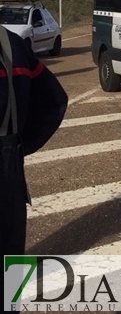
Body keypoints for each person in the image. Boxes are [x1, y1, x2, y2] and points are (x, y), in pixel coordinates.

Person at [0, 25, 67, 256]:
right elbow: (54, 102)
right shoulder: (13, 44)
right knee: (13, 254)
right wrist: (18, 146)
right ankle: (16, 293)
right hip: (9, 172)